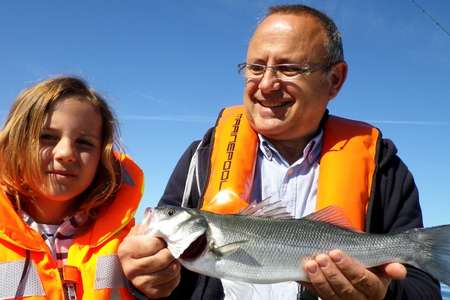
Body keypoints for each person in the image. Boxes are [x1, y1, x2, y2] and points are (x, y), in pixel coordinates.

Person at [118, 4, 442, 300]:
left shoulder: (384, 169)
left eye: (288, 69)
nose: (266, 84)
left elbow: (423, 288)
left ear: (334, 80)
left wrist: (384, 296)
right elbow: (159, 276)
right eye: (256, 68)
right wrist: (144, 280)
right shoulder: (200, 159)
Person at [0, 76, 143, 299]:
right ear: (16, 145)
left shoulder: (130, 243)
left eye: (84, 143)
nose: (66, 153)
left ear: (102, 158)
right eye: (47, 137)